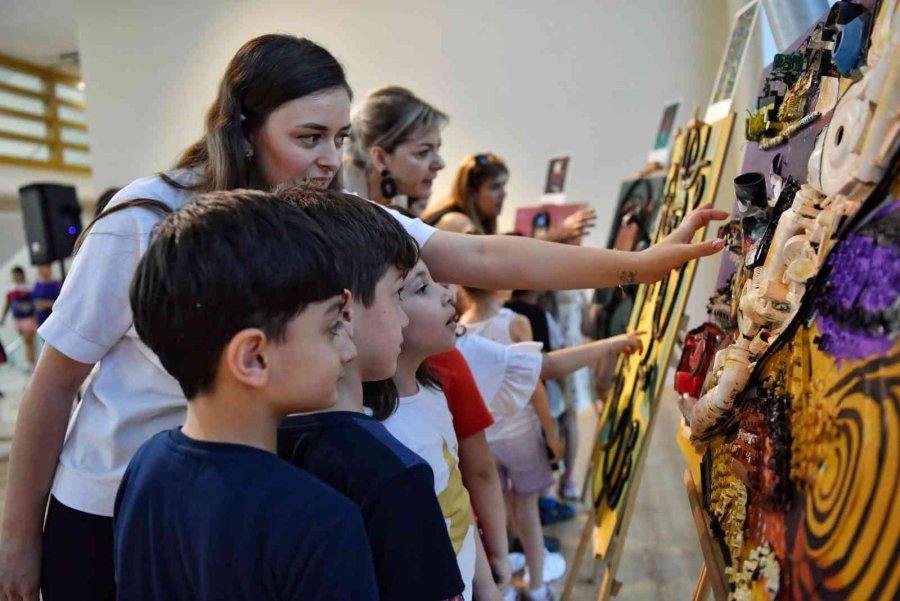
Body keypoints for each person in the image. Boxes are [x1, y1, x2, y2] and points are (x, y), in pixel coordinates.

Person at [0, 35, 725, 601]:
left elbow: (479, 255)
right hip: (122, 502)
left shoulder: (322, 213)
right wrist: (19, 540)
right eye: (309, 137)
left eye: (340, 137)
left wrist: (639, 265)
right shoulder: (145, 220)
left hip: (241, 498)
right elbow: (56, 384)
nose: (329, 159)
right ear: (245, 131)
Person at [117, 188, 376, 600]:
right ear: (253, 357)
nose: (349, 349)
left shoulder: (146, 466)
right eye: (330, 328)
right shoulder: (319, 521)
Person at [275, 190, 465, 601]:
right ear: (343, 312)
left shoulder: (258, 446)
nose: (403, 317)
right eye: (398, 294)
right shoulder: (395, 476)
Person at [459, 287, 642, 599]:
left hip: (484, 440)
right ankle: (536, 584)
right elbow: (535, 383)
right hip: (520, 435)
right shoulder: (515, 322)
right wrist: (551, 433)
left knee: (498, 512)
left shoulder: (461, 327)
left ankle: (507, 582)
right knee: (527, 509)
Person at [376, 260, 479, 601]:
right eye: (422, 288)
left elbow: (457, 495)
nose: (447, 294)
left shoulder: (432, 391)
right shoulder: (379, 433)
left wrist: (488, 585)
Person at [421, 152, 595, 241]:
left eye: (503, 186)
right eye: (495, 187)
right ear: (472, 192)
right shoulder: (455, 222)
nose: (504, 194)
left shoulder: (477, 224)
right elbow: (490, 260)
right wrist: (556, 235)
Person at [1, 266, 36, 370]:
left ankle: (31, 362)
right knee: (26, 341)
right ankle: (30, 360)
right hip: (18, 319)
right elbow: (7, 304)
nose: (16, 278)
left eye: (18, 275)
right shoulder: (11, 290)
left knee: (29, 340)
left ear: (22, 275)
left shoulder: (28, 288)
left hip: (28, 318)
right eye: (14, 276)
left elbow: (34, 303)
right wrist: (3, 318)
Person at [31, 265, 61, 329]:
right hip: (41, 321)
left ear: (49, 269)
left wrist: (46, 304)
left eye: (43, 268)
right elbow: (34, 301)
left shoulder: (55, 284)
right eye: (40, 268)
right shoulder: (37, 285)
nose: (40, 270)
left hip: (53, 320)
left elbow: (60, 302)